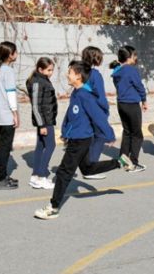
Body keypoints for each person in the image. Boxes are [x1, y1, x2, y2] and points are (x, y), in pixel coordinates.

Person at [34, 61, 121, 220]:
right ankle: (119, 162)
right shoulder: (76, 92)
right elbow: (71, 113)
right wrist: (65, 130)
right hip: (78, 137)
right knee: (87, 169)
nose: (67, 74)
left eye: (70, 72)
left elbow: (99, 117)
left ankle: (53, 207)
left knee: (63, 172)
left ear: (79, 76)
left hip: (80, 140)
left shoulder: (85, 96)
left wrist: (109, 135)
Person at [110, 45, 146, 173]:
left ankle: (122, 158)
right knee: (137, 135)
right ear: (130, 57)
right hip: (132, 104)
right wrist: (144, 99)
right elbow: (139, 86)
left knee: (127, 132)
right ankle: (133, 163)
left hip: (121, 104)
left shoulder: (116, 71)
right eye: (134, 55)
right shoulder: (131, 70)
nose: (136, 58)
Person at [80, 46, 112, 179]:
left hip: (82, 108)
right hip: (94, 109)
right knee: (101, 135)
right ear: (96, 58)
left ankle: (86, 163)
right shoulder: (95, 75)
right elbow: (100, 96)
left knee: (89, 136)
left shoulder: (79, 71)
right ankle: (91, 167)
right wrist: (106, 109)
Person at [26, 57, 58, 189]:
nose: (51, 72)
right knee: (51, 145)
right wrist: (42, 125)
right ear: (40, 69)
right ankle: (41, 176)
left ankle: (35, 176)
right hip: (45, 121)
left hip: (46, 119)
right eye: (48, 70)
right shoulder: (37, 82)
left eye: (52, 70)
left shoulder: (42, 80)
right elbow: (35, 106)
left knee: (40, 146)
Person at [0, 41, 20, 190]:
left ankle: (2, 175)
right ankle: (0, 178)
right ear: (10, 55)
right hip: (7, 114)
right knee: (5, 147)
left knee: (4, 145)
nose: (17, 54)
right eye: (15, 52)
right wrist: (15, 113)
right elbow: (10, 93)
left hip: (0, 114)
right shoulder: (8, 71)